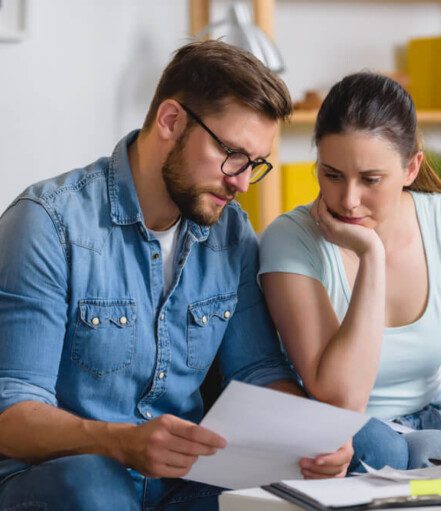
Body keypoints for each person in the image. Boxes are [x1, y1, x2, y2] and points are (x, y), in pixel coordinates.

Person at [0, 41, 353, 511]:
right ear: (170, 121)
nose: (242, 182)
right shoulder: (49, 223)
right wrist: (120, 443)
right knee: (94, 485)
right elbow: (12, 413)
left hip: (181, 485)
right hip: (63, 479)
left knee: (352, 458)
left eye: (256, 164)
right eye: (232, 154)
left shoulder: (231, 234)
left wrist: (308, 437)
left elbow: (256, 370)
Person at [258, 72, 441, 470]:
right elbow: (339, 397)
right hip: (346, 431)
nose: (348, 199)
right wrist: (371, 257)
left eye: (371, 180)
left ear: (411, 168)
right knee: (395, 451)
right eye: (332, 175)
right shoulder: (289, 239)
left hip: (436, 419)